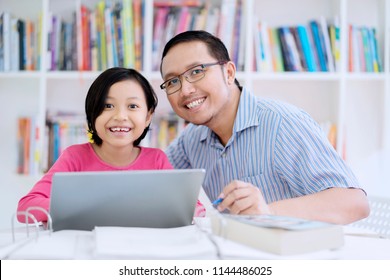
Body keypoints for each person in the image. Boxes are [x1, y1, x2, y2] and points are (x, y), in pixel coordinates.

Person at [159, 30, 369, 224]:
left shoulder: (282, 123)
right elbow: (154, 184)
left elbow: (354, 203)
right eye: (172, 82)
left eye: (196, 71)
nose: (185, 90)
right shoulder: (192, 139)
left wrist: (269, 211)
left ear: (229, 73)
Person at [17, 67, 205, 223]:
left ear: (148, 116)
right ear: (92, 113)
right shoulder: (74, 157)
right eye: (108, 106)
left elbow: (195, 209)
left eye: (132, 106)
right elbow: (26, 208)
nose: (120, 116)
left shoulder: (156, 160)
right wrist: (86, 206)